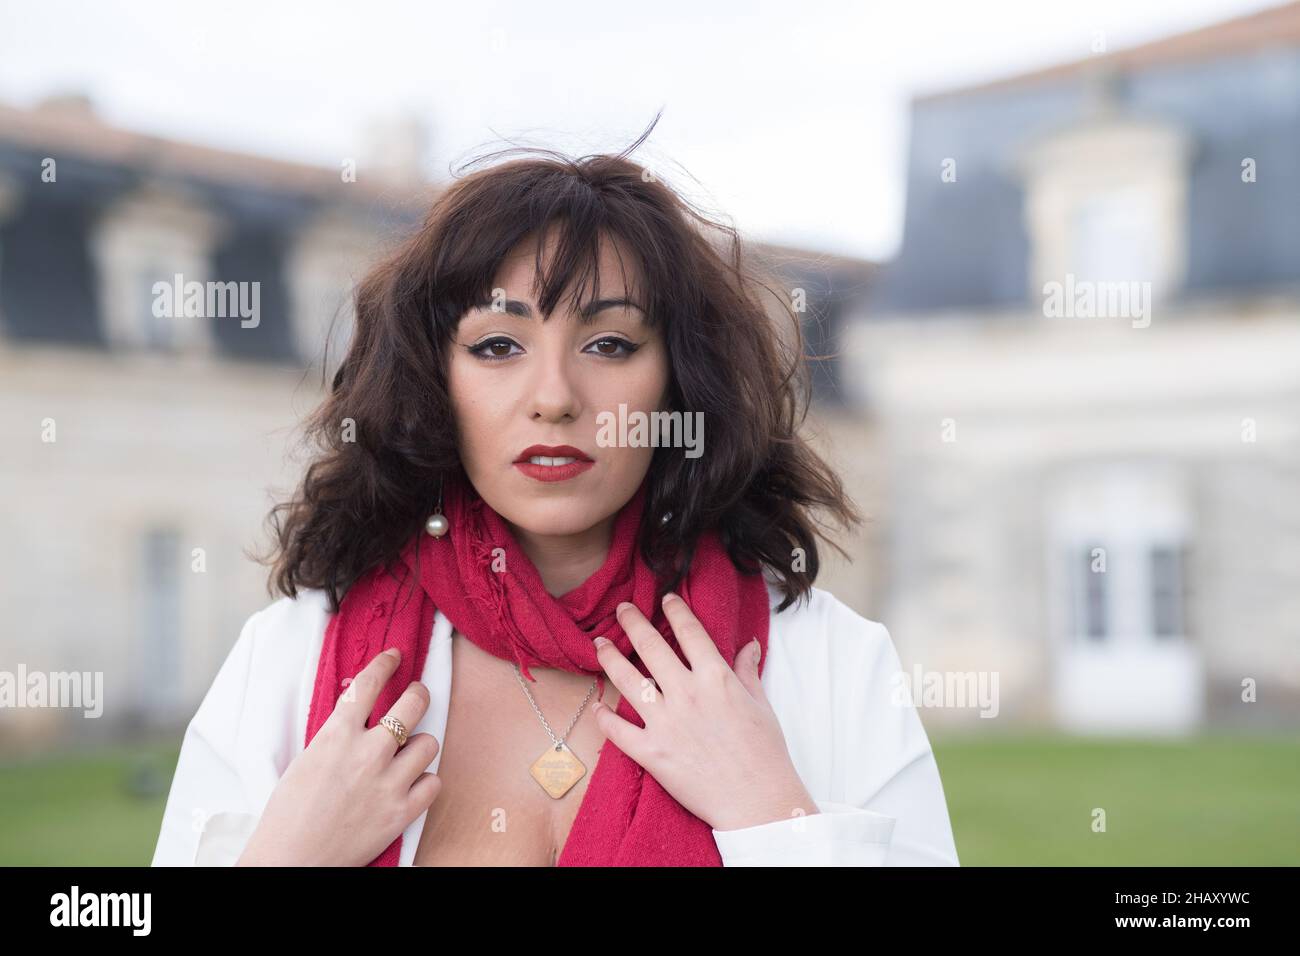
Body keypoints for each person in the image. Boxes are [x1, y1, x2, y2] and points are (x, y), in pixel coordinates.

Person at [150, 119, 960, 867]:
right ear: (436, 381)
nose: (555, 396)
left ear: (679, 382)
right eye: (498, 345)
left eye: (609, 343)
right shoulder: (290, 657)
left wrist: (773, 816)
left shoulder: (830, 664)